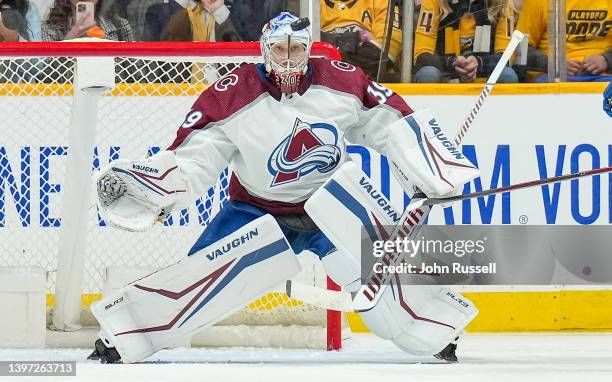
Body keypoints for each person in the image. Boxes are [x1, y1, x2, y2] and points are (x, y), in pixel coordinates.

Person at [88, 12, 478, 364]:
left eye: (297, 49)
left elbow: (391, 122)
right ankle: (123, 334)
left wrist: (430, 164)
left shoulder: (341, 79)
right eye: (279, 48)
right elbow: (196, 156)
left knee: (388, 290)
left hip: (330, 206)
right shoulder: (232, 94)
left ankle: (436, 329)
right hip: (256, 210)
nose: (288, 58)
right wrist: (157, 187)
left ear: (309, 50)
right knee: (196, 284)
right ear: (264, 50)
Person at [413, 0, 519, 83]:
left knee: (507, 75)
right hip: (446, 74)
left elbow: (507, 56)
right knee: (428, 74)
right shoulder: (434, 2)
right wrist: (453, 62)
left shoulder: (502, 3)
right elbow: (421, 54)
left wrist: (478, 63)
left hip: (485, 76)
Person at [516, 0, 611, 82]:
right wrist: (552, 64)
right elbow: (520, 50)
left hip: (603, 76)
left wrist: (606, 60)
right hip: (550, 78)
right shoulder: (538, 2)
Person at [320, 0, 402, 81]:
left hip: (369, 85)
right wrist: (356, 38)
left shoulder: (381, 2)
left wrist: (329, 50)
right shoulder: (312, 4)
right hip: (320, 84)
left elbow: (383, 56)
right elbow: (308, 48)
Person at [42, 0, 133, 41]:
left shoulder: (121, 26)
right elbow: (50, 77)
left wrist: (103, 43)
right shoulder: (51, 29)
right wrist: (69, 41)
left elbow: (137, 76)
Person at [160, 0, 240, 42]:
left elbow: (243, 60)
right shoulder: (159, 12)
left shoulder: (238, 11)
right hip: (186, 72)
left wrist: (219, 10)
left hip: (220, 72)